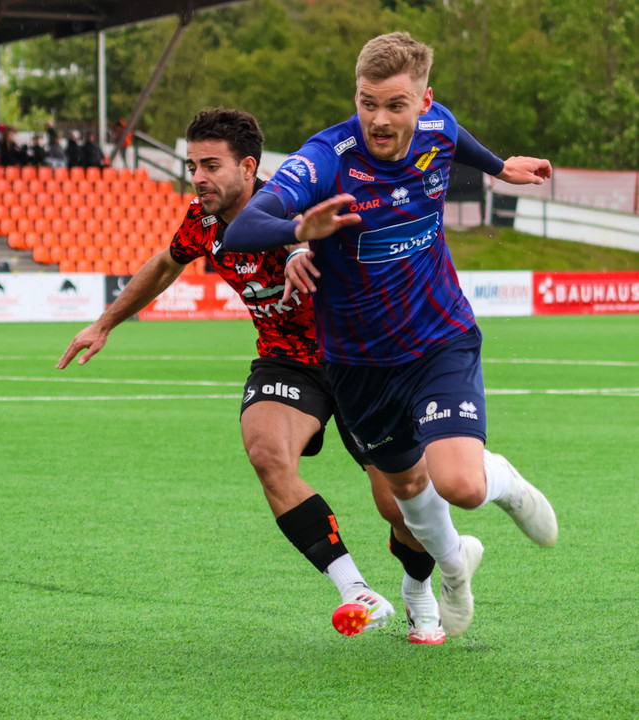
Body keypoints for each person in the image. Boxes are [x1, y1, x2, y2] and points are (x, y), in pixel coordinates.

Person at [58, 107, 450, 643]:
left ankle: (418, 589)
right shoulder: (202, 221)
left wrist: (298, 251)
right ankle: (356, 589)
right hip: (285, 360)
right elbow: (166, 264)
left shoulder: (295, 199)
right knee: (267, 452)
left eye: (211, 165)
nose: (198, 177)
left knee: (400, 508)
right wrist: (105, 323)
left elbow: (302, 237)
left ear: (248, 167)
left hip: (356, 359)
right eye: (192, 165)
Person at [223, 32, 558, 638]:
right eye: (366, 102)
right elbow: (243, 228)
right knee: (402, 489)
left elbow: (454, 135)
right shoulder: (326, 157)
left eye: (395, 105)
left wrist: (498, 166)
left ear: (423, 102)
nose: (378, 119)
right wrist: (299, 228)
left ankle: (504, 483)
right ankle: (452, 570)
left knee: (460, 483)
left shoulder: (438, 126)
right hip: (357, 363)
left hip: (439, 337)